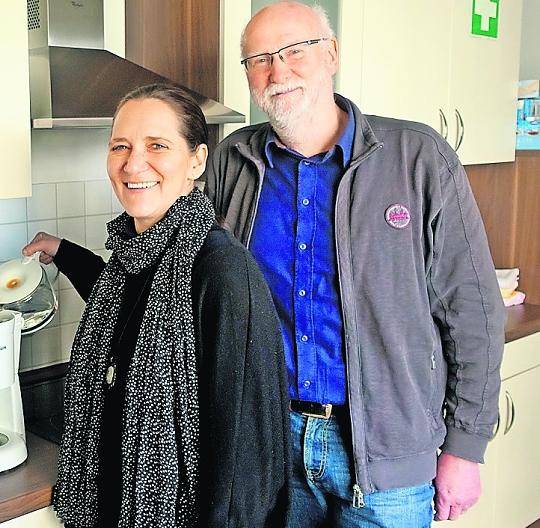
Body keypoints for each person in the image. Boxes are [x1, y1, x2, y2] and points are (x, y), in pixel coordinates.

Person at [203, 2, 506, 527]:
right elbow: (181, 271)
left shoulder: (418, 158)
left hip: (389, 456)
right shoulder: (233, 162)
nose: (278, 71)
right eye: (259, 59)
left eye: (295, 50)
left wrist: (465, 447)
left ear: (332, 54)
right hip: (271, 446)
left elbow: (474, 312)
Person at [23, 83, 288, 528]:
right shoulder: (136, 253)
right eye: (120, 146)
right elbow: (129, 312)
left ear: (197, 161)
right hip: (112, 506)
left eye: (157, 146)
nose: (133, 163)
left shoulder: (221, 271)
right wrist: (63, 252)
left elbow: (248, 452)